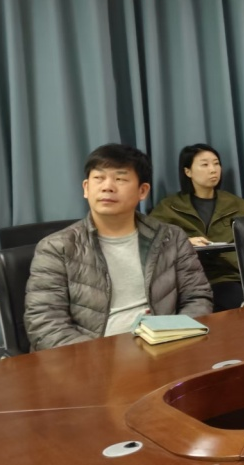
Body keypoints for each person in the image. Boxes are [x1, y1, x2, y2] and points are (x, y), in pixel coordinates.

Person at [24, 144, 213, 350]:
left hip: (163, 349)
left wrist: (172, 337)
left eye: (120, 179)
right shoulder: (56, 247)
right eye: (99, 178)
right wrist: (100, 358)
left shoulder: (171, 237)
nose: (107, 187)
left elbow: (197, 298)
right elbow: (45, 323)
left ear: (142, 191)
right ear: (86, 188)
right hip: (91, 357)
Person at [149, 143, 244, 311]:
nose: (213, 170)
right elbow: (149, 239)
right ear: (188, 171)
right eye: (205, 164)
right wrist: (185, 242)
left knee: (242, 306)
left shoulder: (236, 204)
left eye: (216, 164)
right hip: (186, 277)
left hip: (225, 276)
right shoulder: (169, 207)